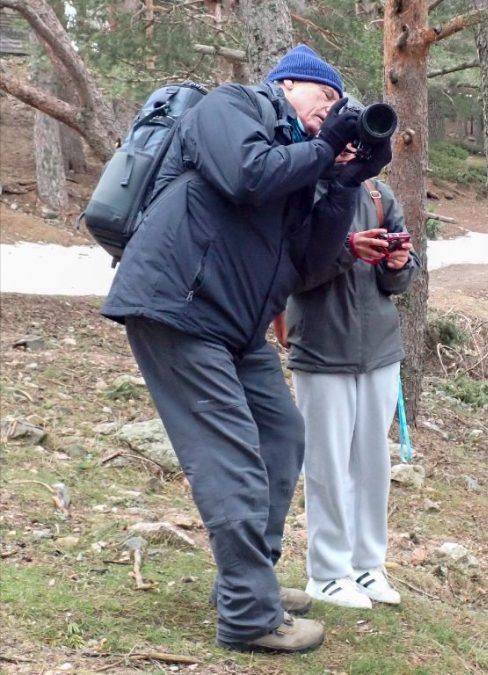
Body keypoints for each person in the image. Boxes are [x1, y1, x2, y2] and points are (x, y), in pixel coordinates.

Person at [101, 45, 392, 654]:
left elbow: (310, 262)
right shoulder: (231, 106)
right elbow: (246, 174)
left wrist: (344, 183)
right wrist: (323, 149)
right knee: (231, 457)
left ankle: (246, 578)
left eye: (340, 105)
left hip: (238, 325)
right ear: (287, 84)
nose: (333, 111)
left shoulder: (303, 160)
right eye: (325, 97)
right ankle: (248, 615)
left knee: (281, 437)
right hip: (178, 306)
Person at [285, 142, 419, 609]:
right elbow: (292, 271)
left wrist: (398, 265)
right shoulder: (300, 192)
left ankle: (367, 565)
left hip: (379, 349)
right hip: (322, 348)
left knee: (373, 463)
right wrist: (346, 250)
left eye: (357, 144)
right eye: (342, 140)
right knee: (326, 464)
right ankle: (326, 572)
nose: (348, 151)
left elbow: (400, 279)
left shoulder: (379, 195)